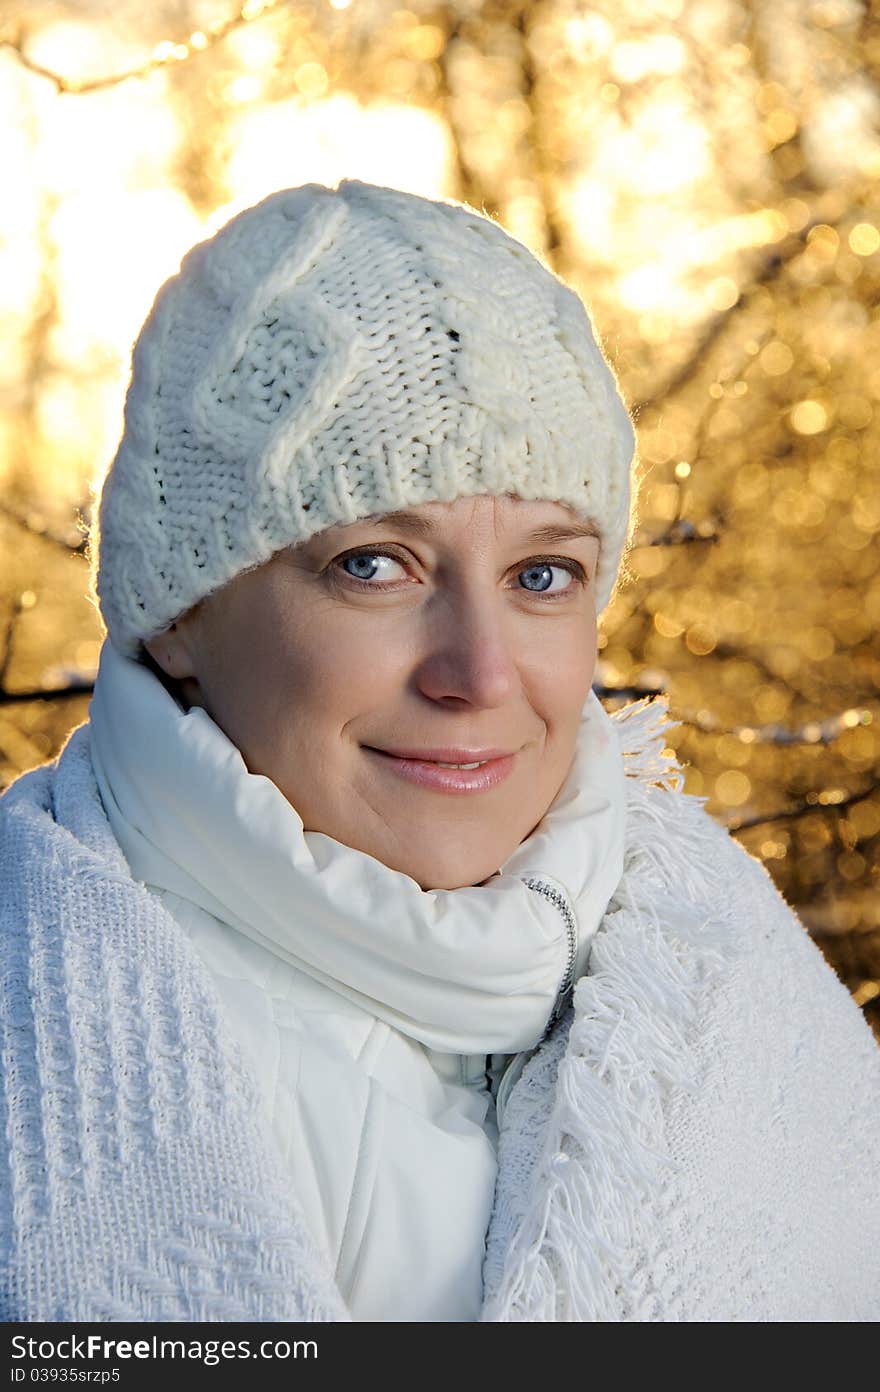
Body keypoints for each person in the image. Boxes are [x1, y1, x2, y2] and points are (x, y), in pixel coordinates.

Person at [1, 180, 878, 1323]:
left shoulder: (746, 1027)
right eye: (374, 565)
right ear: (179, 611)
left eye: (540, 576)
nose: (481, 674)